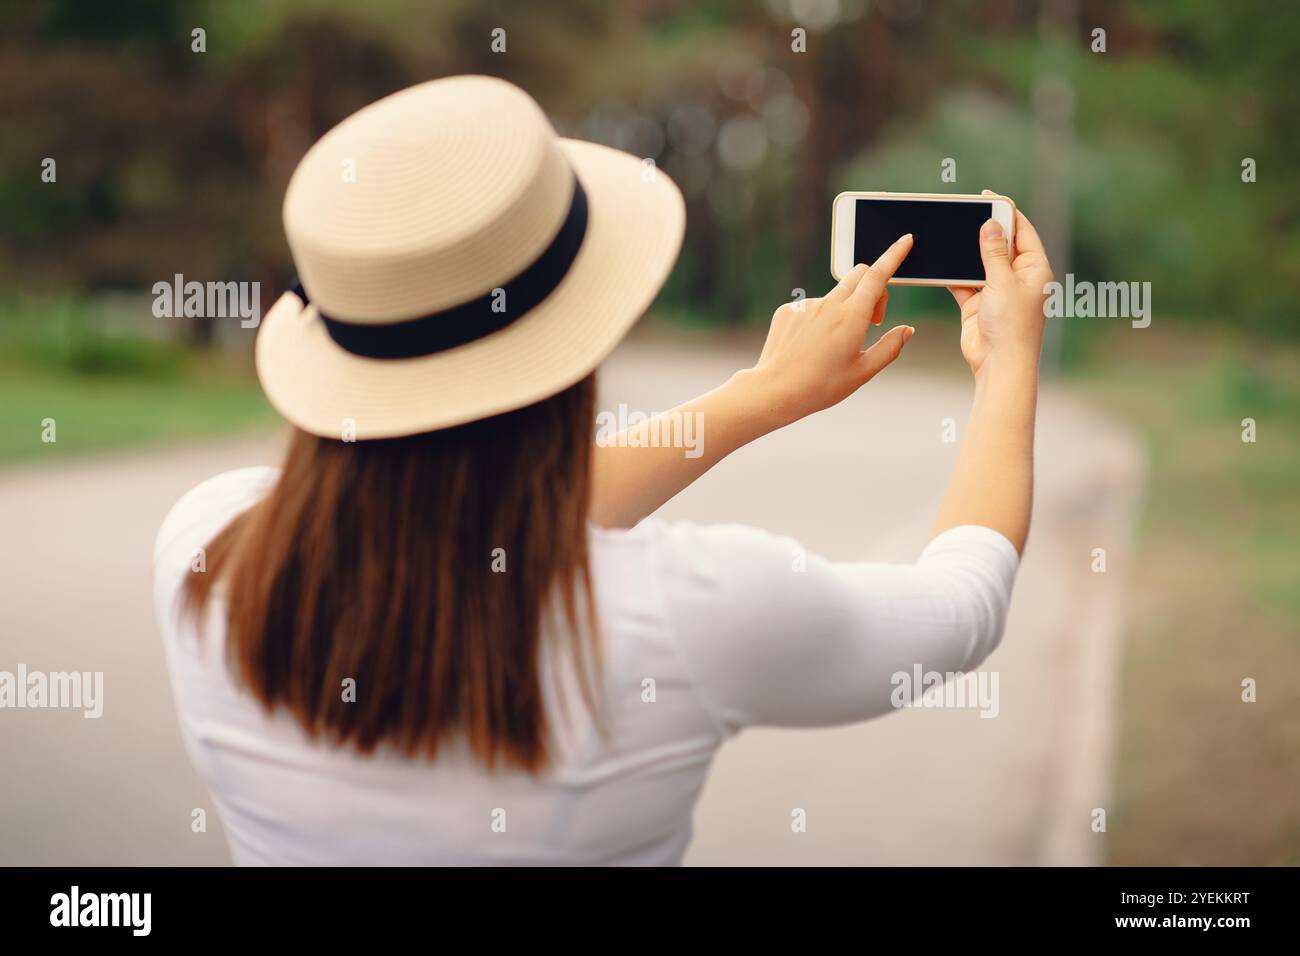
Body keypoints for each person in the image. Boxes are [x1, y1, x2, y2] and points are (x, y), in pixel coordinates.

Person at [153, 76, 1052, 865]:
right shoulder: (688, 609)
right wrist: (1008, 364)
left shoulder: (207, 550)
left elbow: (474, 514)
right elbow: (964, 603)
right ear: (582, 331)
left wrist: (760, 397)